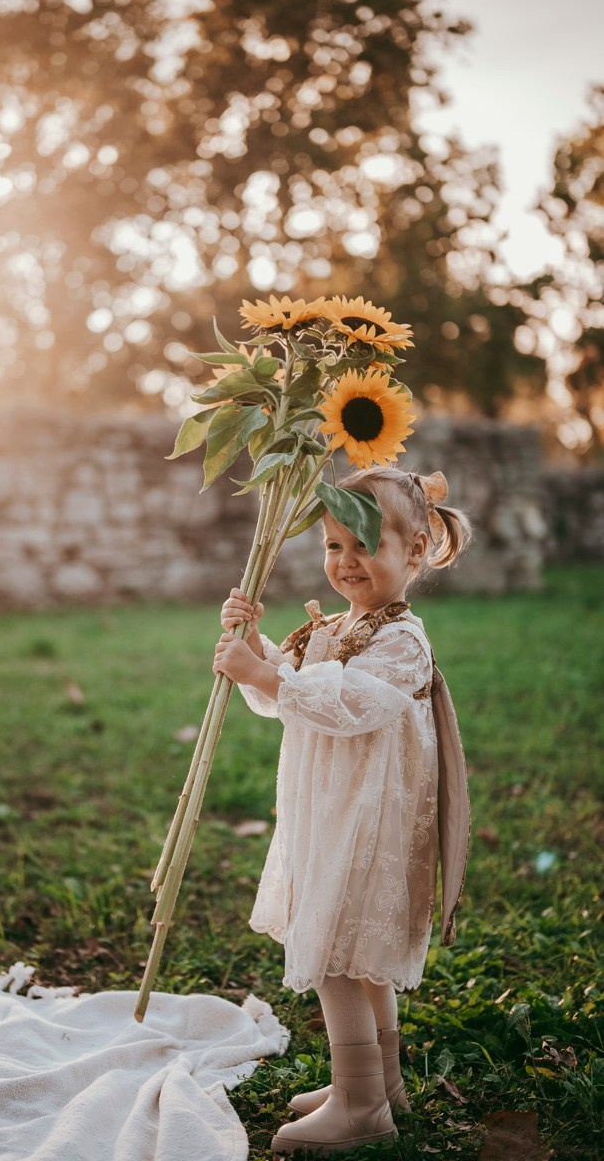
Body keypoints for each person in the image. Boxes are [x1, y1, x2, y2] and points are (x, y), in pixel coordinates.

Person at [212, 466, 472, 1156]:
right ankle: (380, 1082)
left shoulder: (402, 641)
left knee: (334, 949)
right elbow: (292, 692)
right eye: (334, 545)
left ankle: (360, 1107)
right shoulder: (338, 626)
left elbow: (351, 703)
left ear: (415, 550)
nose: (346, 561)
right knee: (357, 955)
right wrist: (256, 648)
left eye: (365, 544)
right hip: (331, 815)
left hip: (368, 823)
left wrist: (265, 675)